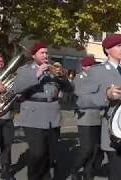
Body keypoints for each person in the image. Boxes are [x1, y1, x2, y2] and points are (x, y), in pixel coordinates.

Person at [76, 34, 121, 180]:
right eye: (118, 46)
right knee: (120, 175)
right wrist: (106, 96)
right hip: (113, 133)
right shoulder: (97, 71)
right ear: (107, 50)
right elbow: (82, 100)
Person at [13, 41, 73, 180]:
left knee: (50, 154)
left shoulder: (53, 71)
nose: (46, 55)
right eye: (42, 52)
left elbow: (69, 89)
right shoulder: (25, 70)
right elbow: (17, 88)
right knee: (37, 153)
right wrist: (37, 75)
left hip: (53, 116)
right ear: (34, 55)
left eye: (47, 53)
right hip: (33, 116)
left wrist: (62, 77)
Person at [69, 56, 104, 180]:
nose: (92, 68)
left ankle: (88, 174)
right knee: (86, 149)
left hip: (97, 117)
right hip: (85, 117)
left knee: (95, 149)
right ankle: (74, 168)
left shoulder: (94, 78)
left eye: (93, 66)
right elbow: (83, 96)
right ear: (84, 67)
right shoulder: (79, 78)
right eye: (90, 66)